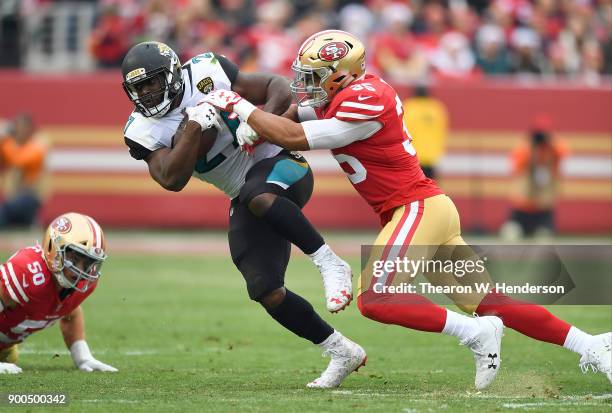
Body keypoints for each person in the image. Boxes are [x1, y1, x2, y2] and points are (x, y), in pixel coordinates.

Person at [201, 30, 612, 388]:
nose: (305, 84)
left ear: (341, 73)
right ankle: (594, 345)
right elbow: (292, 112)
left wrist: (241, 107)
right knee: (493, 300)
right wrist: (260, 120)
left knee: (376, 299)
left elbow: (292, 134)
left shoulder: (367, 99)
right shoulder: (345, 94)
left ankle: (476, 333)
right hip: (425, 209)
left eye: (313, 77)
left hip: (417, 208)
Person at [120, 41, 365, 388]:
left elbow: (276, 86)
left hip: (282, 164)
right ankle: (341, 350)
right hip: (245, 192)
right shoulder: (141, 129)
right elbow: (171, 178)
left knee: (257, 193)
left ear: (174, 74)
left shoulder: (206, 70)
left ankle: (329, 262)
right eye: (138, 87)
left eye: (152, 82)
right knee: (264, 287)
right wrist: (192, 126)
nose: (146, 93)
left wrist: (266, 123)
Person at [0, 212, 117, 374]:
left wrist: (82, 357)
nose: (80, 271)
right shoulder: (29, 272)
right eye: (74, 259)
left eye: (88, 263)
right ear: (52, 248)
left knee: (9, 357)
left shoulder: (83, 284)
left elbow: (71, 314)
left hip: (4, 343)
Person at [500, 114, 569, 239]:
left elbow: (563, 151)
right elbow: (515, 166)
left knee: (544, 237)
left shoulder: (553, 149)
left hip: (544, 206)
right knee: (511, 233)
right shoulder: (525, 148)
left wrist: (550, 143)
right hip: (523, 205)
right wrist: (530, 148)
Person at [0, 114, 48, 228]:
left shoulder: (37, 146)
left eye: (22, 127)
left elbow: (18, 160)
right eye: (17, 128)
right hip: (14, 198)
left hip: (31, 197)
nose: (19, 131)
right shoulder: (14, 146)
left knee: (7, 210)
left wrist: (5, 140)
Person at [402, 85, 448, 179]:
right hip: (432, 155)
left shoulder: (409, 106)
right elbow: (442, 130)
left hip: (413, 155)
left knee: (414, 188)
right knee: (430, 188)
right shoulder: (437, 108)